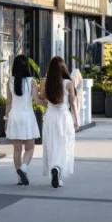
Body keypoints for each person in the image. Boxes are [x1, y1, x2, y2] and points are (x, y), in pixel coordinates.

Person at [40, 56, 78, 188]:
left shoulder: (45, 82)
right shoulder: (68, 83)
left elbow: (42, 100)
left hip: (50, 117)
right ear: (63, 68)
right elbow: (73, 104)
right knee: (64, 146)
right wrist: (77, 120)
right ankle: (58, 169)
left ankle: (54, 168)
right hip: (64, 117)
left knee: (51, 145)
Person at [5, 55, 40, 186]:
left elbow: (8, 102)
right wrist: (49, 103)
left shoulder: (10, 81)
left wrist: (6, 119)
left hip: (14, 116)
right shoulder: (32, 82)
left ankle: (19, 178)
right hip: (27, 117)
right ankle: (24, 168)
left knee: (17, 150)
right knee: (30, 148)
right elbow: (37, 100)